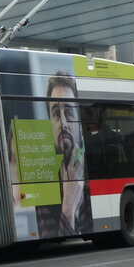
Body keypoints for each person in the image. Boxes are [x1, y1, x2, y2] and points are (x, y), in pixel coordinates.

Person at [36, 73, 92, 238]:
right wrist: (69, 205)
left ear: (80, 122)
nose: (63, 123)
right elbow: (53, 238)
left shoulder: (95, 169)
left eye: (68, 112)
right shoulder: (43, 185)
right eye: (55, 114)